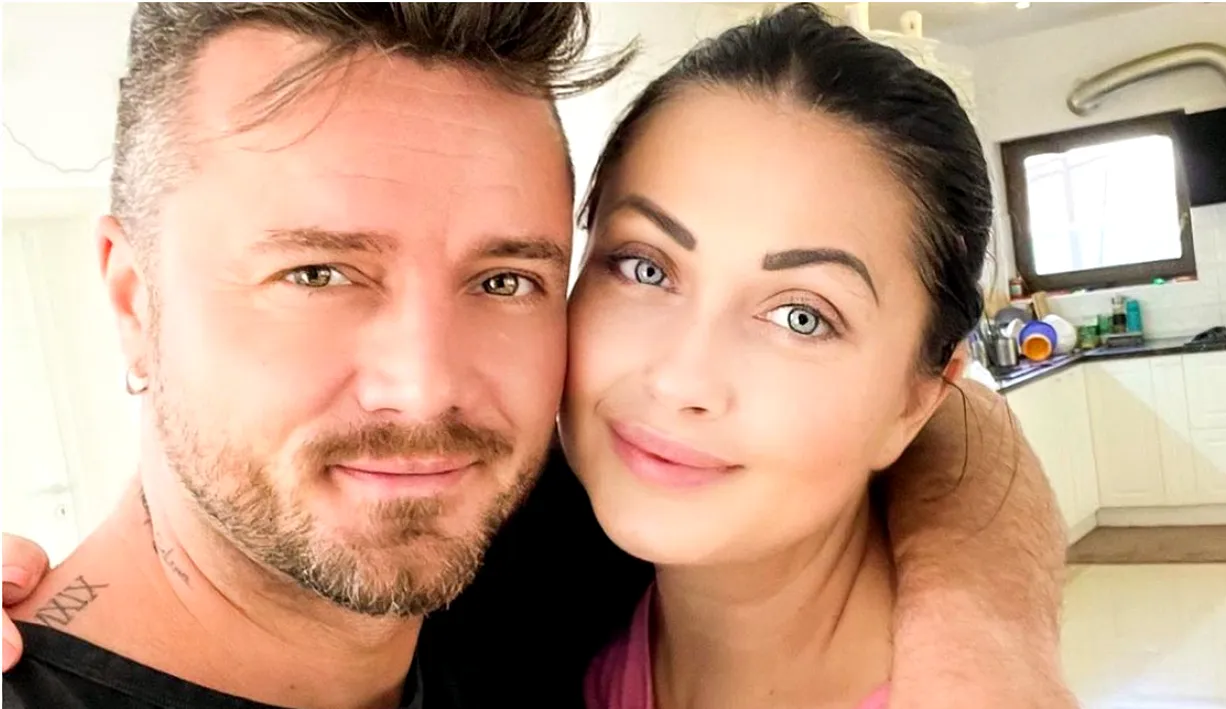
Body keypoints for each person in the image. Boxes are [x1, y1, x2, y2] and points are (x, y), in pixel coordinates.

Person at [0, 3, 1072, 709]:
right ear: (132, 297)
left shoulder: (532, 542)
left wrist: (983, 649)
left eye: (505, 278)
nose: (426, 388)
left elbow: (956, 411)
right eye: (319, 273)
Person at [564, 6, 1060, 708]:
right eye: (645, 267)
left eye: (802, 317)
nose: (679, 378)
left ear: (916, 400)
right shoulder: (561, 619)